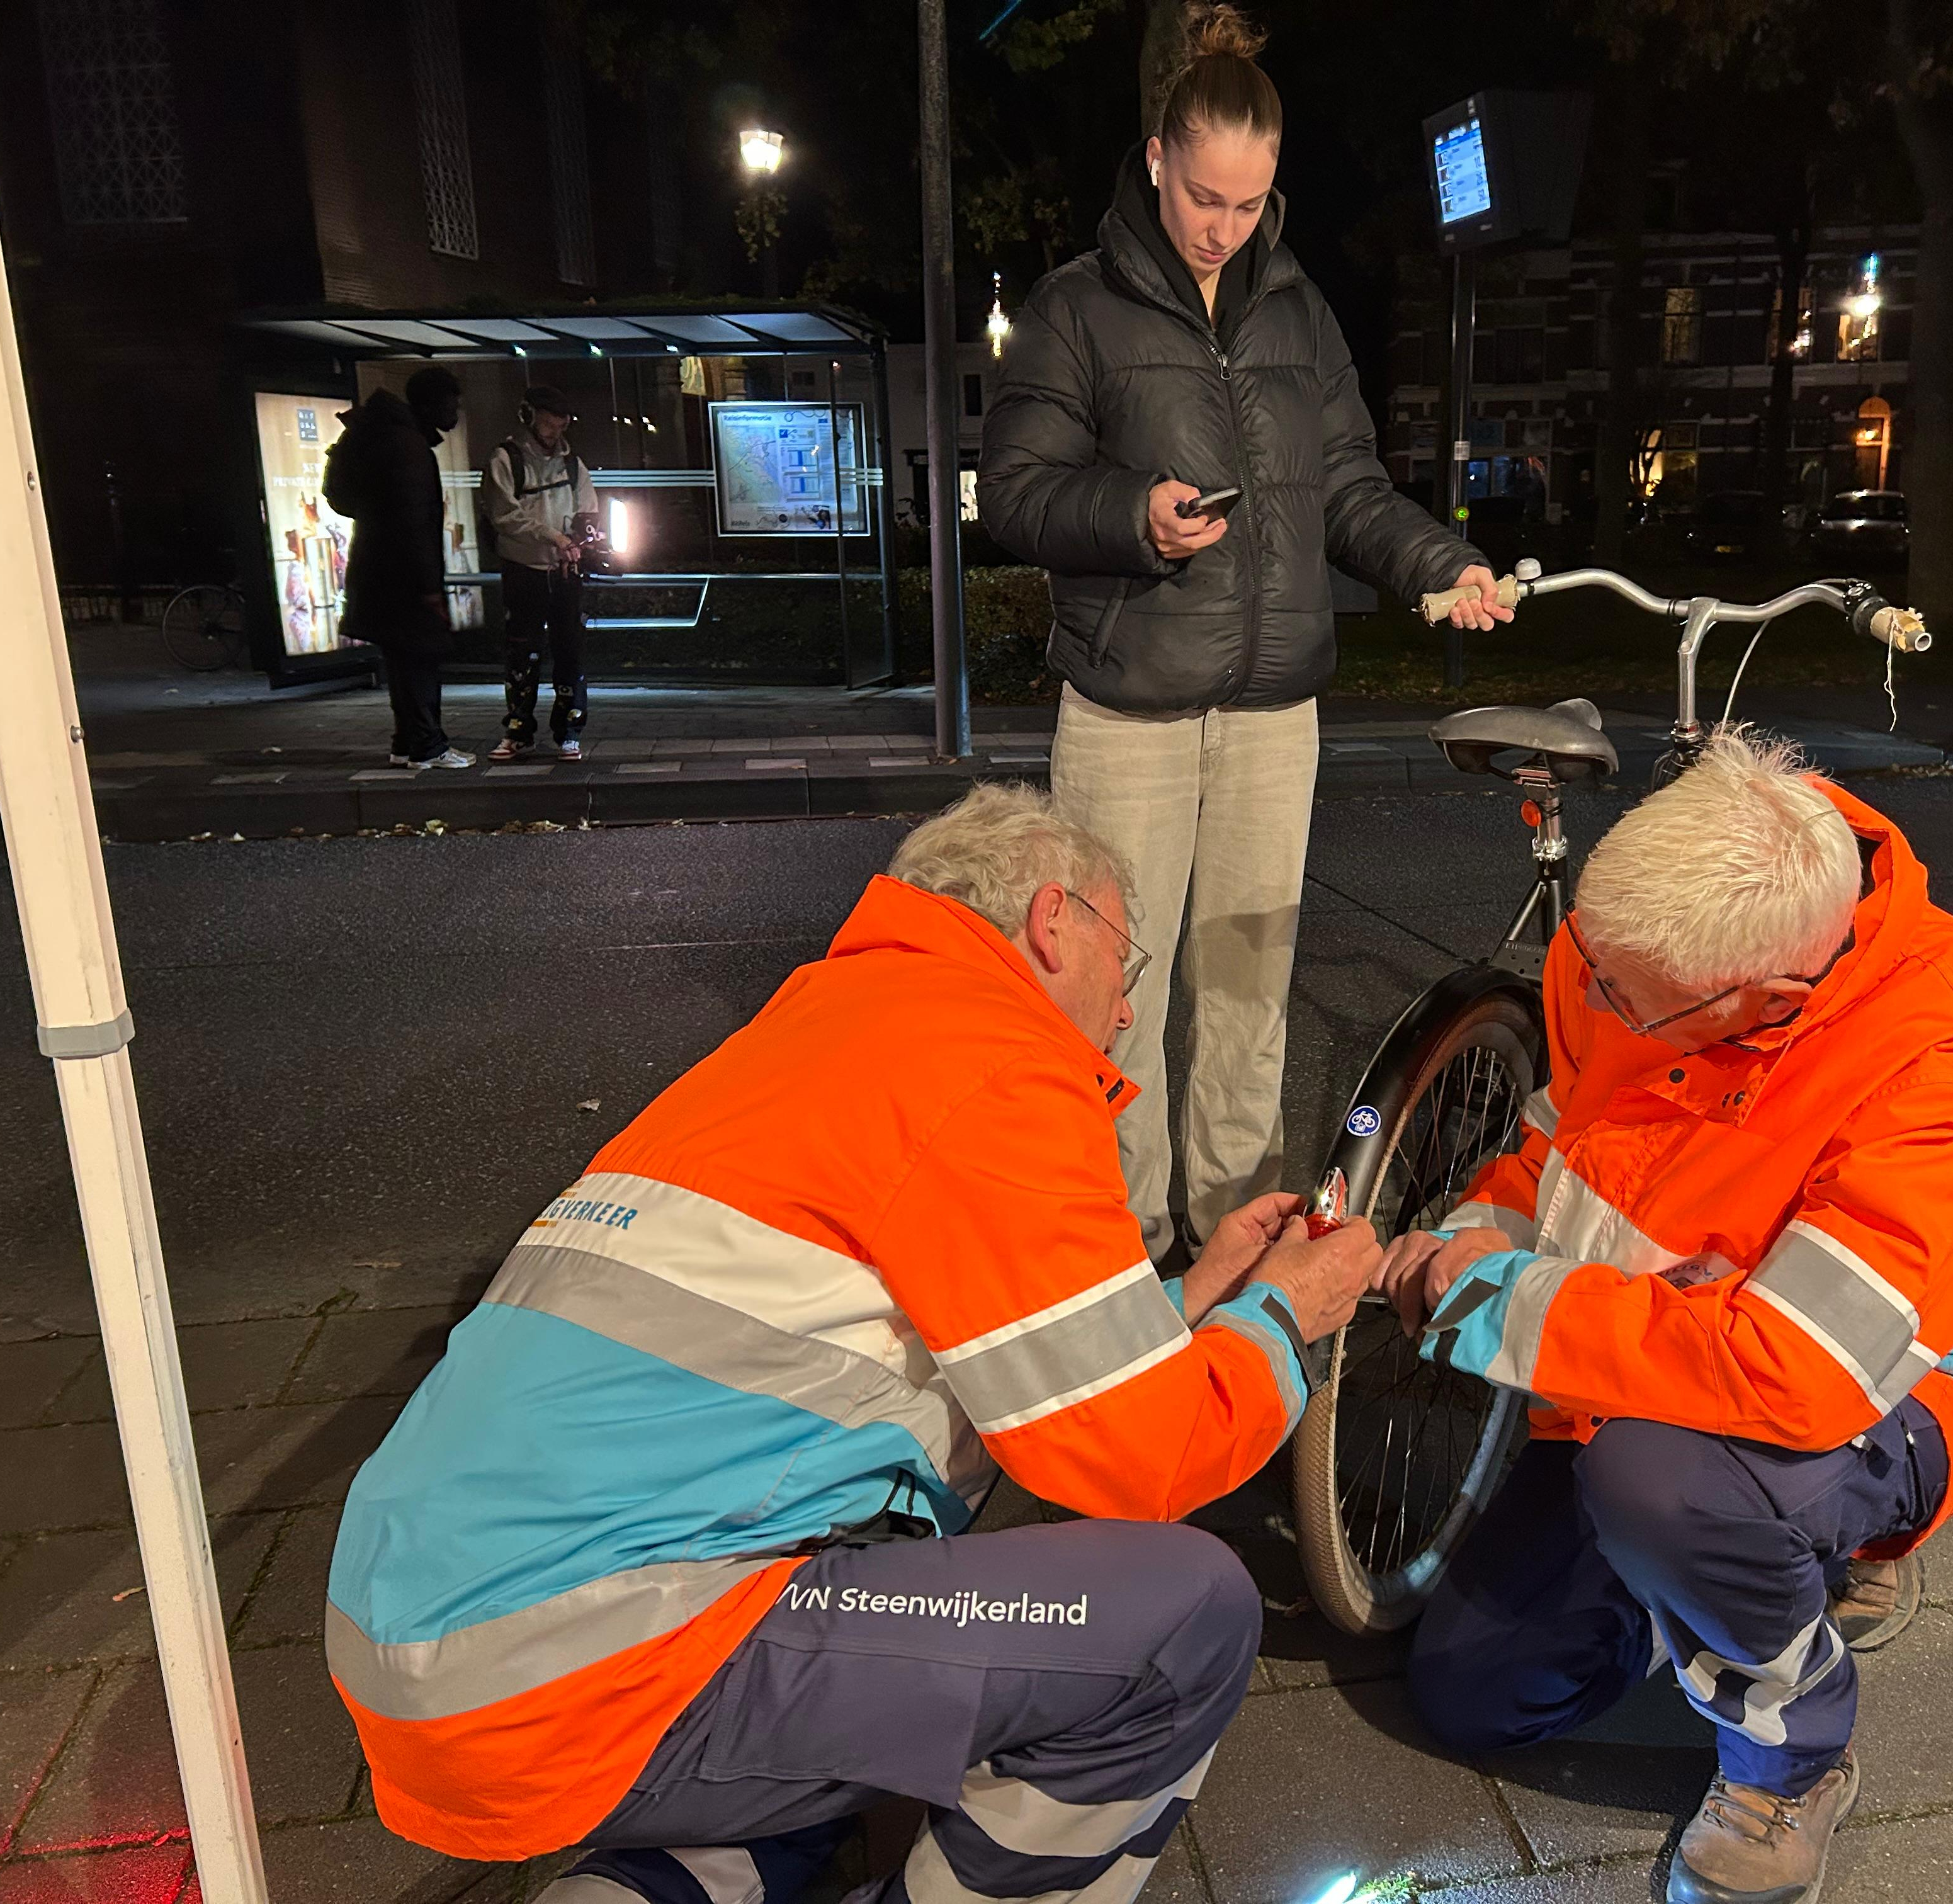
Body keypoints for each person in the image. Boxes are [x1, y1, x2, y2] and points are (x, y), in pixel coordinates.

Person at [327, 784, 1381, 1900]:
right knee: (1183, 1620)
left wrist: (1191, 1300)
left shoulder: (819, 1027)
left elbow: (989, 1370)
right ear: (1054, 919)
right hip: (594, 1661)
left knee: (872, 1666)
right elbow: (1142, 1457)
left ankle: (669, 1874)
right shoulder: (993, 1059)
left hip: (434, 1643)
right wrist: (1283, 1316)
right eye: (1127, 958)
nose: (1125, 1011)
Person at [1386, 732, 1953, 1904]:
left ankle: (1792, 1753)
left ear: (1769, 1000)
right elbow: (1556, 1147)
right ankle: (1731, 1568)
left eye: (1622, 995)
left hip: (1906, 1385)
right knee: (1475, 1698)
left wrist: (1490, 1301)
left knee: (1667, 1483)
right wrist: (1467, 1238)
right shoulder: (1645, 951)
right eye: (1588, 964)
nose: (1586, 997)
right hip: (1650, 1368)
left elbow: (1798, 1370)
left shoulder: (1946, 1042)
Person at [978, 0, 1507, 1269]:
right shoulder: (1074, 309)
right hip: (1129, 703)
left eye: (1250, 201)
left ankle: (1231, 1235)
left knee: (1247, 988)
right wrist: (1134, 518)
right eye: (1206, 196)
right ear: (1158, 158)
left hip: (1275, 710)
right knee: (1117, 994)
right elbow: (1015, 491)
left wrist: (1445, 564)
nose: (1226, 227)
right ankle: (1124, 1244)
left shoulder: (1297, 312)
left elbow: (1351, 487)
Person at [324, 366, 473, 770]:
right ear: (430, 403)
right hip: (405, 579)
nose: (456, 411)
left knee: (402, 662)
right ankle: (427, 746)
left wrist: (373, 519)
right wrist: (429, 589)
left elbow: (339, 498)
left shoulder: (378, 436)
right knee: (422, 660)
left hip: (377, 571)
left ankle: (407, 743)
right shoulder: (408, 448)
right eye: (451, 402)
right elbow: (414, 525)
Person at [485, 384, 597, 762]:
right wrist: (553, 536)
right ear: (529, 417)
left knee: (570, 652)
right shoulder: (506, 459)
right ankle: (519, 730)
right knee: (522, 653)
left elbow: (587, 511)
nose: (555, 434)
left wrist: (579, 543)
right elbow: (505, 515)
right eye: (548, 426)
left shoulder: (572, 464)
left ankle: (569, 731)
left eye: (561, 426)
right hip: (524, 568)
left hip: (566, 569)